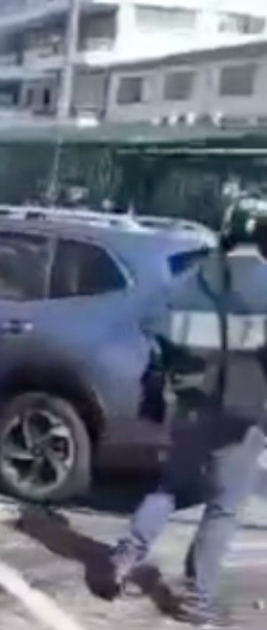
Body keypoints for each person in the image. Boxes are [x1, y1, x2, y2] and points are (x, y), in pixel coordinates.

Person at [106, 197, 267, 627]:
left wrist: (169, 372)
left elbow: (153, 326)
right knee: (224, 506)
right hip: (243, 412)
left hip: (191, 405)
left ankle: (127, 554)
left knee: (171, 485)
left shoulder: (192, 279)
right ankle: (198, 599)